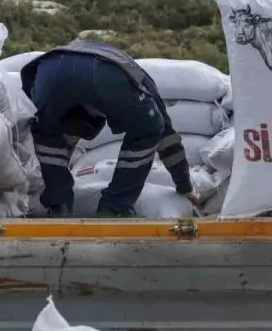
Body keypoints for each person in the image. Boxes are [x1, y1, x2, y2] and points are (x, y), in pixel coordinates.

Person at [20, 41, 198, 218]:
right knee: (150, 130)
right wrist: (185, 186)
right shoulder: (136, 78)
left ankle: (59, 207)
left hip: (47, 70)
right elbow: (168, 140)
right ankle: (115, 208)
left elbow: (35, 104)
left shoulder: (127, 77)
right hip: (104, 73)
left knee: (48, 134)